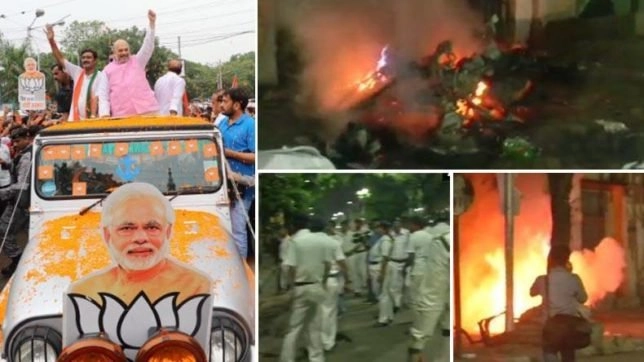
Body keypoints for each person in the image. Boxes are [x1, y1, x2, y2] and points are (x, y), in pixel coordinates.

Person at [69, 182, 212, 304]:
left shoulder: (196, 287)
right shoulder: (84, 293)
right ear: (107, 235)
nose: (140, 238)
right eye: (127, 228)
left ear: (167, 232)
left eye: (152, 228)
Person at [280, 216, 334, 362]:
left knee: (294, 327)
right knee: (314, 325)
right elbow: (328, 265)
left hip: (300, 287)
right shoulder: (321, 241)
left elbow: (290, 267)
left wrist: (291, 286)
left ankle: (287, 359)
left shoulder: (295, 242)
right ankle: (316, 357)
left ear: (294, 226)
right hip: (316, 286)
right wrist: (322, 282)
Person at [530, 245, 588, 362]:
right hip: (569, 325)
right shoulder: (574, 278)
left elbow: (532, 292)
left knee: (549, 351)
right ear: (567, 259)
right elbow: (583, 298)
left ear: (550, 259)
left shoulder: (543, 279)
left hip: (551, 325)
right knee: (568, 354)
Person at [98, 10, 160, 117]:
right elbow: (103, 95)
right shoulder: (107, 71)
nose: (124, 53)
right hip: (123, 115)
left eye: (126, 50)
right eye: (120, 50)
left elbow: (148, 46)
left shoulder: (138, 61)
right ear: (114, 52)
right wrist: (104, 114)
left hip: (148, 111)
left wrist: (151, 25)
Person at [406, 215, 450, 362]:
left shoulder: (440, 240)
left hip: (432, 280)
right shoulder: (443, 240)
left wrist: (419, 338)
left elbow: (433, 291)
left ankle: (417, 351)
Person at [218, 88, 255, 259]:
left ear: (237, 104)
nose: (221, 105)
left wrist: (230, 153)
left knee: (238, 229)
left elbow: (255, 157)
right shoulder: (222, 125)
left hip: (243, 186)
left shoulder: (250, 125)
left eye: (225, 101)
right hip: (222, 186)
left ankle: (242, 271)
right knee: (225, 228)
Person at [45, 25, 105, 120]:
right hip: (75, 121)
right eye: (83, 58)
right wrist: (51, 41)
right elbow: (60, 59)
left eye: (89, 57)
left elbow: (99, 98)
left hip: (94, 120)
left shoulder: (101, 76)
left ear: (95, 60)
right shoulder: (77, 72)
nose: (85, 60)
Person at [0, 127, 36, 276]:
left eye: (18, 141)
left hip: (20, 201)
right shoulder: (26, 153)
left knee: (3, 230)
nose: (15, 144)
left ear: (27, 138)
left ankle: (17, 259)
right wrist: (7, 165)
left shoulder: (27, 156)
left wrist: (3, 193)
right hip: (24, 201)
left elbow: (22, 185)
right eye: (13, 141)